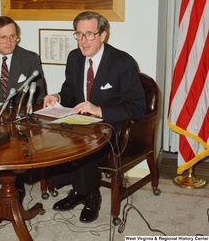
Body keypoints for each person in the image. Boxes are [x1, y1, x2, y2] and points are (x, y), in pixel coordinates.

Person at [43, 11, 147, 223]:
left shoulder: (122, 62)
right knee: (49, 133)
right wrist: (57, 96)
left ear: (103, 35)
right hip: (81, 120)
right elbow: (71, 92)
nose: (83, 41)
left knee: (88, 139)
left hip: (112, 123)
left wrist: (100, 111)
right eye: (79, 34)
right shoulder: (74, 58)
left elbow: (138, 108)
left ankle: (88, 194)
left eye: (89, 34)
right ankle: (81, 188)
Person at [0, 16, 47, 200]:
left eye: (13, 36)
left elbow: (39, 95)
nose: (9, 42)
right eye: (2, 38)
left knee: (15, 137)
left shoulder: (30, 59)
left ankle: (17, 182)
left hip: (19, 117)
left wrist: (18, 115)